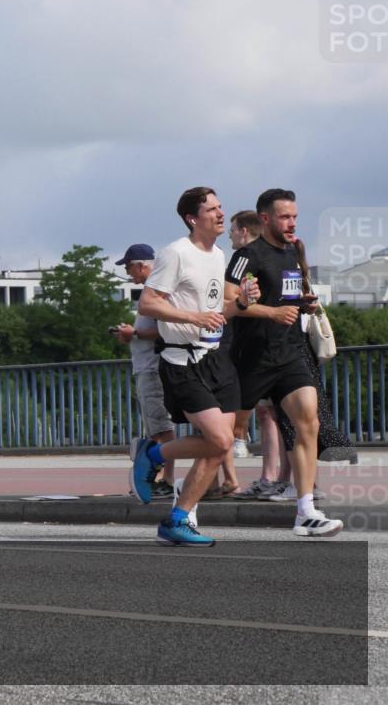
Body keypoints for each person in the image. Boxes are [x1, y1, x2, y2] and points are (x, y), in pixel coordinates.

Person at [130, 187, 259, 546]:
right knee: (219, 439)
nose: (220, 214)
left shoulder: (218, 255)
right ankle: (152, 454)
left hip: (215, 359)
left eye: (221, 207)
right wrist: (194, 317)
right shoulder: (176, 253)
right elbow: (148, 304)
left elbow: (218, 314)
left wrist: (242, 303)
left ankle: (176, 520)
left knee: (220, 446)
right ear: (192, 218)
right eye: (212, 209)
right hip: (181, 360)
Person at [224, 189, 342, 537]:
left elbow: (287, 294)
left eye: (294, 216)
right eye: (285, 217)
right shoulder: (247, 255)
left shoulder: (292, 251)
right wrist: (271, 312)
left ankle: (305, 510)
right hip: (251, 359)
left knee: (308, 421)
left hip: (289, 354)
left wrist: (304, 302)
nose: (292, 223)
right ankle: (175, 490)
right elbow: (228, 301)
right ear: (265, 219)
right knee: (222, 438)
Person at [272, 237, 358, 469]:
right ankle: (326, 455)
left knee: (293, 416)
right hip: (304, 348)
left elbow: (289, 308)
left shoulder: (288, 273)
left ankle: (304, 474)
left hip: (292, 346)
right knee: (310, 410)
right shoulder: (302, 275)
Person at [227, 210, 287, 499]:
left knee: (236, 414)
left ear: (243, 231)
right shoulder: (281, 253)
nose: (229, 236)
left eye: (232, 230)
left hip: (257, 347)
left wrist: (267, 312)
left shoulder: (246, 256)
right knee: (273, 414)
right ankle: (277, 478)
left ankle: (270, 477)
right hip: (281, 344)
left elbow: (230, 297)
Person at [112, 244, 175, 499]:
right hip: (147, 367)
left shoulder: (157, 292)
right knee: (156, 427)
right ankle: (158, 477)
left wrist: (135, 333)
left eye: (129, 268)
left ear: (141, 265)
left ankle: (167, 479)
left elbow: (165, 330)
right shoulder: (153, 290)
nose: (128, 273)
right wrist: (132, 334)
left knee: (162, 428)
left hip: (152, 368)